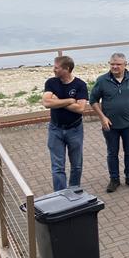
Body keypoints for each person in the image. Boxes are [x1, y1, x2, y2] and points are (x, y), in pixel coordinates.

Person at [89, 53, 129, 193]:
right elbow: (93, 101)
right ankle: (114, 179)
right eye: (112, 64)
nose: (115, 67)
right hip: (110, 125)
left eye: (118, 64)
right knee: (112, 152)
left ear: (125, 64)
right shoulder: (102, 80)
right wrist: (102, 117)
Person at [42, 55, 88, 191]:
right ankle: (60, 195)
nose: (53, 70)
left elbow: (80, 108)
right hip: (55, 129)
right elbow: (46, 103)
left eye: (56, 68)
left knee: (76, 165)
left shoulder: (80, 85)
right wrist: (69, 100)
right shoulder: (51, 82)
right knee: (57, 167)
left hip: (75, 130)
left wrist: (57, 101)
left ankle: (73, 192)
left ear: (66, 69)